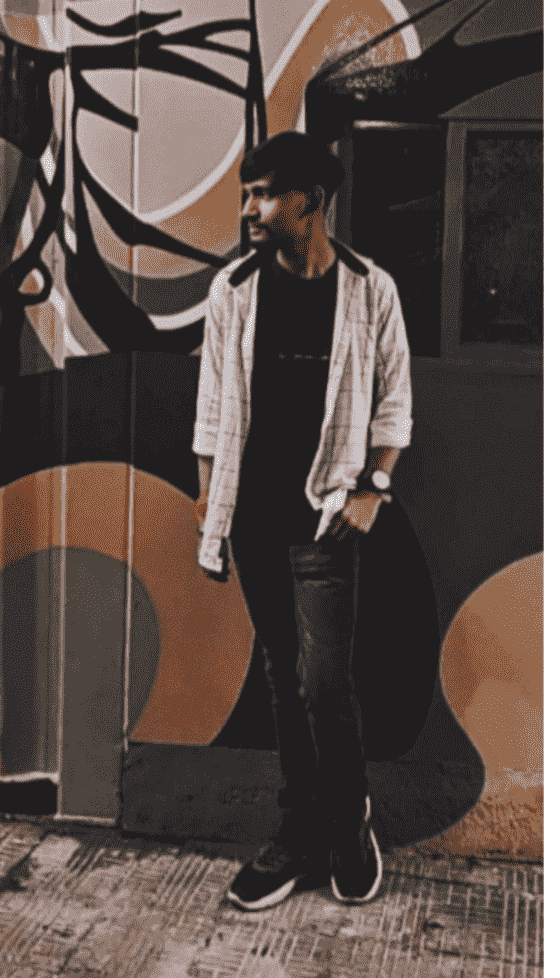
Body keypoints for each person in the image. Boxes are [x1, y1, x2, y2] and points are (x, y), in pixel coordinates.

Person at [192, 131, 412, 910]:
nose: (250, 209)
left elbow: (395, 401)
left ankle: (347, 824)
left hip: (325, 518)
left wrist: (373, 487)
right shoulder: (233, 290)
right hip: (253, 518)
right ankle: (300, 833)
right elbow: (212, 406)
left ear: (311, 201)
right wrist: (210, 505)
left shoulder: (369, 289)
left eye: (264, 194)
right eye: (248, 194)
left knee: (323, 682)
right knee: (283, 680)